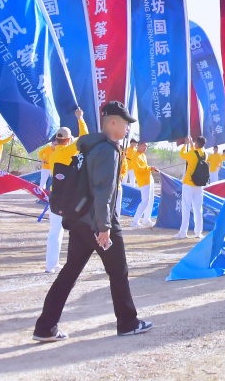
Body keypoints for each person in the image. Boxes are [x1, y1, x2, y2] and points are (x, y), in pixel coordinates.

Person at [33, 101, 151, 341]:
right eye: (126, 123)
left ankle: (45, 327)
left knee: (69, 272)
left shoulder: (86, 145)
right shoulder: (108, 150)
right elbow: (103, 191)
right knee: (118, 271)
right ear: (113, 123)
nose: (128, 128)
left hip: (79, 219)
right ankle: (128, 323)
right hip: (98, 222)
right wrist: (104, 227)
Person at [45, 126, 78, 273]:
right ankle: (52, 264)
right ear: (68, 140)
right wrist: (80, 119)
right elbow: (84, 136)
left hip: (55, 195)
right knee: (65, 231)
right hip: (67, 196)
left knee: (56, 230)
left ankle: (52, 263)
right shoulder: (67, 151)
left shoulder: (53, 155)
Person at [174, 137, 208, 240]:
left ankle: (183, 232)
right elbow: (196, 153)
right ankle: (198, 232)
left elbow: (182, 154)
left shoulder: (192, 154)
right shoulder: (205, 154)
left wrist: (186, 144)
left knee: (186, 208)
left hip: (189, 184)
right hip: (199, 185)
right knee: (198, 209)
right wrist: (193, 145)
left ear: (196, 143)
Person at [130, 141, 156, 229]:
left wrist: (151, 169)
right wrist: (150, 168)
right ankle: (135, 221)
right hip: (143, 181)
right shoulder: (135, 156)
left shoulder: (143, 156)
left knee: (150, 200)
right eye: (144, 145)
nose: (146, 147)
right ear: (139, 145)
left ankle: (146, 219)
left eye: (146, 146)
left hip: (149, 179)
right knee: (145, 201)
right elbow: (138, 169)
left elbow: (145, 168)